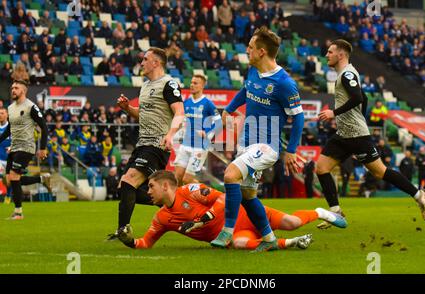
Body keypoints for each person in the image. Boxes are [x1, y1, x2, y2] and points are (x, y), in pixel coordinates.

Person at [316, 39, 425, 229]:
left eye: (330, 52)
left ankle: (418, 195)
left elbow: (359, 97)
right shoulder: (347, 73)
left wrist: (334, 113)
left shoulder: (347, 74)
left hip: (357, 136)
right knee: (321, 168)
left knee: (380, 172)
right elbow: (365, 97)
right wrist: (358, 117)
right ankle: (335, 212)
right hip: (344, 134)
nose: (326, 55)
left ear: (341, 54)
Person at [210, 27, 305, 252]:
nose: (247, 51)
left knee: (230, 175)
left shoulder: (284, 83)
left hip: (266, 147)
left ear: (262, 52)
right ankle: (269, 238)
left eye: (251, 48)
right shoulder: (253, 71)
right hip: (246, 141)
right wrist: (229, 109)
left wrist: (291, 150)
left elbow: (298, 117)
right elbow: (245, 90)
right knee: (247, 195)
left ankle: (227, 232)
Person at [117, 170, 347, 250]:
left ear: (166, 186)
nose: (147, 192)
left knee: (291, 222)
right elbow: (145, 242)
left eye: (151, 187)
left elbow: (225, 199)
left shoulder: (191, 190)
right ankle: (293, 242)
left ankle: (321, 212)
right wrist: (128, 240)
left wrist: (202, 219)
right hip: (235, 234)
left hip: (248, 214)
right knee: (239, 245)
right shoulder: (162, 218)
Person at [107, 47, 184, 240]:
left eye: (145, 59)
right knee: (124, 189)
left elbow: (179, 112)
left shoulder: (169, 84)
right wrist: (127, 108)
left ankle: (122, 230)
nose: (141, 63)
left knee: (128, 181)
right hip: (142, 144)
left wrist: (170, 134)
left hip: (156, 146)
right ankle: (174, 205)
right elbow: (143, 115)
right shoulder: (145, 86)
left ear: (156, 63)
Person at [0, 80, 51, 220]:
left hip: (26, 147)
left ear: (23, 90)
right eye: (12, 88)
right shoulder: (10, 108)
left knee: (14, 177)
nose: (13, 90)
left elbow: (44, 127)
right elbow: (10, 129)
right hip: (14, 147)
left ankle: (18, 213)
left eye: (16, 88)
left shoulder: (31, 107)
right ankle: (42, 179)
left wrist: (42, 148)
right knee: (10, 180)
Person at [173, 75, 221, 186]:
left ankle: (207, 192)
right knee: (178, 178)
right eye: (191, 82)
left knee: (187, 180)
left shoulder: (207, 103)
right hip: (185, 144)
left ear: (202, 86)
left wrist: (207, 132)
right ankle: (182, 202)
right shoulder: (186, 103)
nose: (192, 85)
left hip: (200, 147)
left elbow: (219, 122)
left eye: (195, 83)